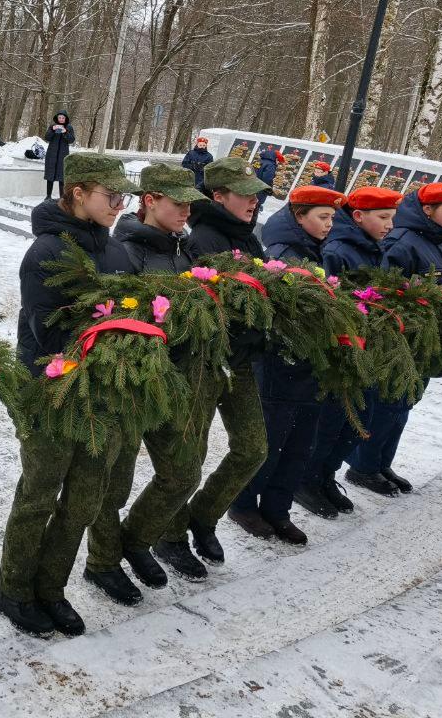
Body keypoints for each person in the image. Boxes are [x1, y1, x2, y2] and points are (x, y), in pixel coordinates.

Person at [0, 154, 137, 637]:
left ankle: (51, 587)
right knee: (40, 492)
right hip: (49, 388)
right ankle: (13, 589)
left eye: (123, 197)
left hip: (103, 395)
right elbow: (51, 331)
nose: (119, 205)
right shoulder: (47, 252)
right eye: (110, 196)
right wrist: (111, 335)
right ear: (78, 192)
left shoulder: (116, 253)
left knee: (84, 497)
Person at [85, 164, 206, 602]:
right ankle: (102, 562)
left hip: (172, 382)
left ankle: (135, 540)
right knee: (113, 482)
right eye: (178, 203)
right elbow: (119, 317)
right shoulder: (125, 250)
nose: (186, 212)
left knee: (183, 471)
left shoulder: (183, 248)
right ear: (150, 201)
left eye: (190, 204)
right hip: (132, 382)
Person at [152, 156, 270, 580]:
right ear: (218, 196)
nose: (254, 201)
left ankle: (203, 516)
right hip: (206, 363)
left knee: (253, 447)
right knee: (191, 454)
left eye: (258, 194)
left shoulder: (250, 238)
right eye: (246, 194)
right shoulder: (201, 239)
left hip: (240, 363)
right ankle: (171, 534)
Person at [228, 185, 343, 548]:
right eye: (322, 217)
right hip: (283, 363)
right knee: (271, 442)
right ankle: (245, 504)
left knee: (299, 446)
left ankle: (278, 508)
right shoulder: (283, 255)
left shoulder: (318, 249)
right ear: (299, 216)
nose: (329, 225)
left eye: (332, 218)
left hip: (312, 364)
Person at [346, 182, 442, 497]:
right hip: (403, 340)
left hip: (430, 339)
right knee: (387, 403)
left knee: (406, 403)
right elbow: (386, 293)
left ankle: (382, 462)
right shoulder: (401, 243)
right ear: (428, 210)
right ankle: (363, 466)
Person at [294, 186, 403, 519]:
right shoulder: (338, 251)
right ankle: (308, 480)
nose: (389, 225)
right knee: (331, 422)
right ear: (359, 217)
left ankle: (326, 475)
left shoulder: (374, 248)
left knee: (357, 420)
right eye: (383, 217)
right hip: (343, 348)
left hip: (365, 346)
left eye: (392, 218)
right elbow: (331, 299)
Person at [42, 110, 74, 199]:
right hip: (51, 154)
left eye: (63, 118)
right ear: (57, 118)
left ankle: (62, 197)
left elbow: (71, 140)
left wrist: (65, 132)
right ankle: (48, 196)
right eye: (59, 117)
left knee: (62, 177)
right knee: (50, 176)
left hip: (63, 156)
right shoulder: (52, 126)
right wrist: (52, 130)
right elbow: (47, 137)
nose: (61, 119)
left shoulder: (69, 127)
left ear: (66, 119)